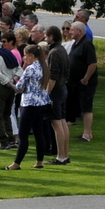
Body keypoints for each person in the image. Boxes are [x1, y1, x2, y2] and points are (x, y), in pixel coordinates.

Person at [6, 44, 52, 170]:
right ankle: (39, 161)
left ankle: (17, 163)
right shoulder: (45, 67)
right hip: (42, 102)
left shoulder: (30, 69)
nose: (24, 58)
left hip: (30, 103)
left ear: (31, 56)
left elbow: (19, 87)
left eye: (25, 55)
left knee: (23, 135)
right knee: (39, 133)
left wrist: (11, 84)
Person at [67, 20, 99, 142]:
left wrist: (86, 78)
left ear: (79, 31)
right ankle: (87, 133)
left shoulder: (87, 44)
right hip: (76, 82)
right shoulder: (76, 44)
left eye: (72, 30)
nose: (70, 32)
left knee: (86, 108)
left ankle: (87, 134)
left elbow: (92, 63)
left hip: (86, 83)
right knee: (80, 107)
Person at [43, 26, 71, 165]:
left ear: (51, 37)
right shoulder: (62, 50)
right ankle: (65, 154)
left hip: (56, 91)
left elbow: (52, 76)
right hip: (63, 88)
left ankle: (60, 156)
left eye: (46, 36)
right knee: (62, 121)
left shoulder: (54, 52)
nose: (45, 38)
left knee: (56, 123)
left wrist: (46, 94)